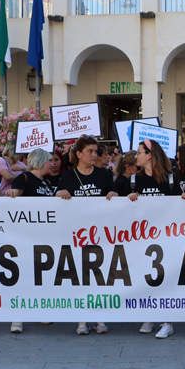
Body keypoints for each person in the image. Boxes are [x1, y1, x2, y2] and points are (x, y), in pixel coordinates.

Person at [119, 139, 182, 339]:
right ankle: (150, 313)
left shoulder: (171, 178)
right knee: (145, 276)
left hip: (166, 236)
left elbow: (180, 204)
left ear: (149, 155)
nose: (136, 156)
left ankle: (167, 320)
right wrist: (128, 199)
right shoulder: (134, 180)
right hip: (142, 237)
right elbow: (118, 205)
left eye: (139, 152)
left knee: (164, 277)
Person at [56, 135, 117, 336]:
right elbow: (55, 197)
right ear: (79, 154)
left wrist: (113, 195)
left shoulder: (104, 175)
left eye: (95, 151)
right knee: (80, 276)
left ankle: (100, 318)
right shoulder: (68, 176)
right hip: (75, 234)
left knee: (100, 276)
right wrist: (60, 194)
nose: (94, 155)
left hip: (100, 234)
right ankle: (82, 319)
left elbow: (115, 195)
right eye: (89, 151)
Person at [7, 149, 58, 334]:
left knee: (41, 275)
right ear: (41, 162)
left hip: (45, 237)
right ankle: (17, 317)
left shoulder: (48, 181)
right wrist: (12, 193)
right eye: (49, 161)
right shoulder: (24, 178)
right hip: (25, 236)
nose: (52, 164)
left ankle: (41, 311)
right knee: (24, 276)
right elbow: (14, 197)